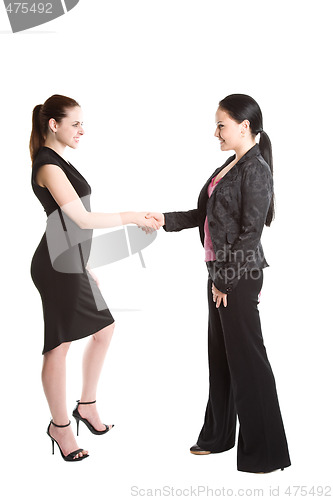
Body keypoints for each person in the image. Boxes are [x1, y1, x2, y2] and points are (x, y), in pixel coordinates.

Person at [146, 94, 291, 473]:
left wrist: (225, 281)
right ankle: (218, 436)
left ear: (244, 126)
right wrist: (164, 218)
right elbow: (204, 214)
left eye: (221, 125)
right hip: (219, 274)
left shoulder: (256, 169)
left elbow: (250, 233)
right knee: (221, 357)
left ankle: (266, 453)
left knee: (249, 362)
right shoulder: (231, 165)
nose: (216, 132)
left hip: (238, 277)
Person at [30, 94, 161, 462]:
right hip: (55, 267)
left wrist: (83, 263)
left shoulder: (59, 162)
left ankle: (85, 406)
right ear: (53, 125)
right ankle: (60, 427)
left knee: (103, 329)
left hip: (69, 261)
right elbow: (82, 219)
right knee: (59, 345)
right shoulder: (47, 165)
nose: (82, 130)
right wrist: (133, 215)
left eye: (82, 124)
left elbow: (63, 222)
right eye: (75, 124)